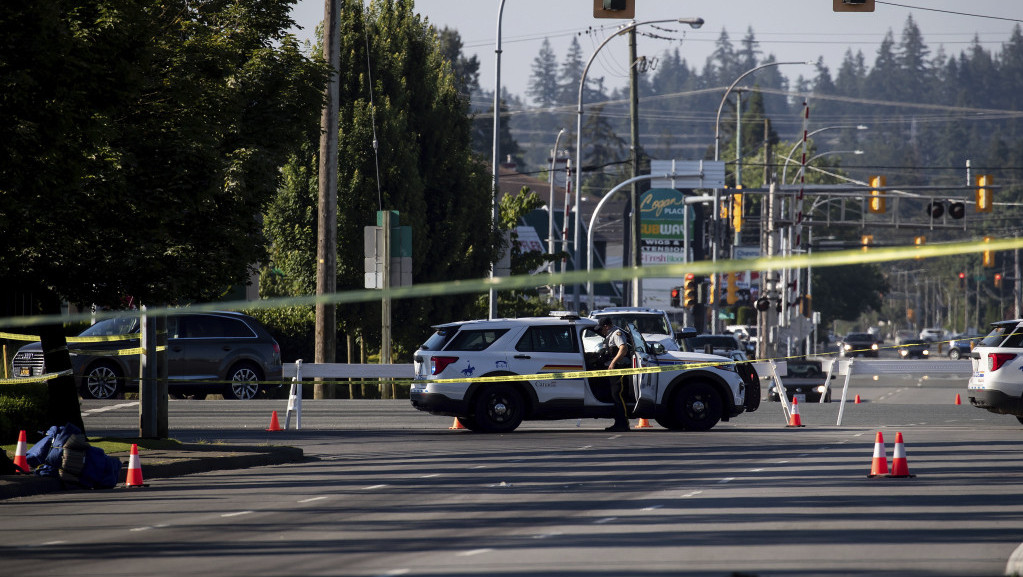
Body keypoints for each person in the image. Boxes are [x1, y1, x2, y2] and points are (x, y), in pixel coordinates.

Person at [596, 317, 630, 432]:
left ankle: (623, 423)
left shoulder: (617, 333)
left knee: (617, 395)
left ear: (606, 326)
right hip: (613, 369)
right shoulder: (609, 335)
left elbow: (623, 349)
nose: (601, 331)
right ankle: (618, 422)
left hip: (618, 369)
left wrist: (613, 363)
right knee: (614, 395)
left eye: (601, 329)